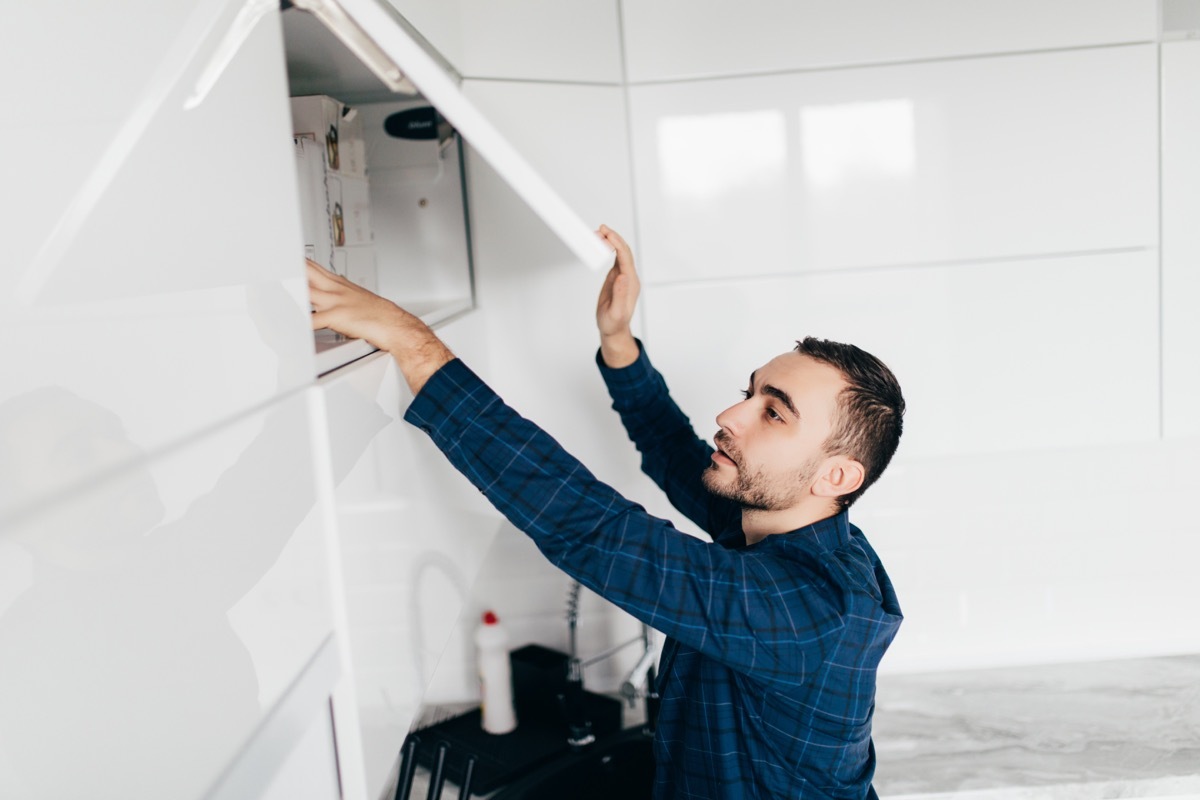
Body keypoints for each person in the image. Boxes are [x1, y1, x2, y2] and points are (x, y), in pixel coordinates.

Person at [307, 225, 906, 800]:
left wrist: (416, 345)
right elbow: (677, 455)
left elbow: (594, 529)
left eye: (774, 413)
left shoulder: (807, 609)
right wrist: (618, 340)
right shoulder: (780, 527)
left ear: (837, 476)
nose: (730, 414)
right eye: (750, 392)